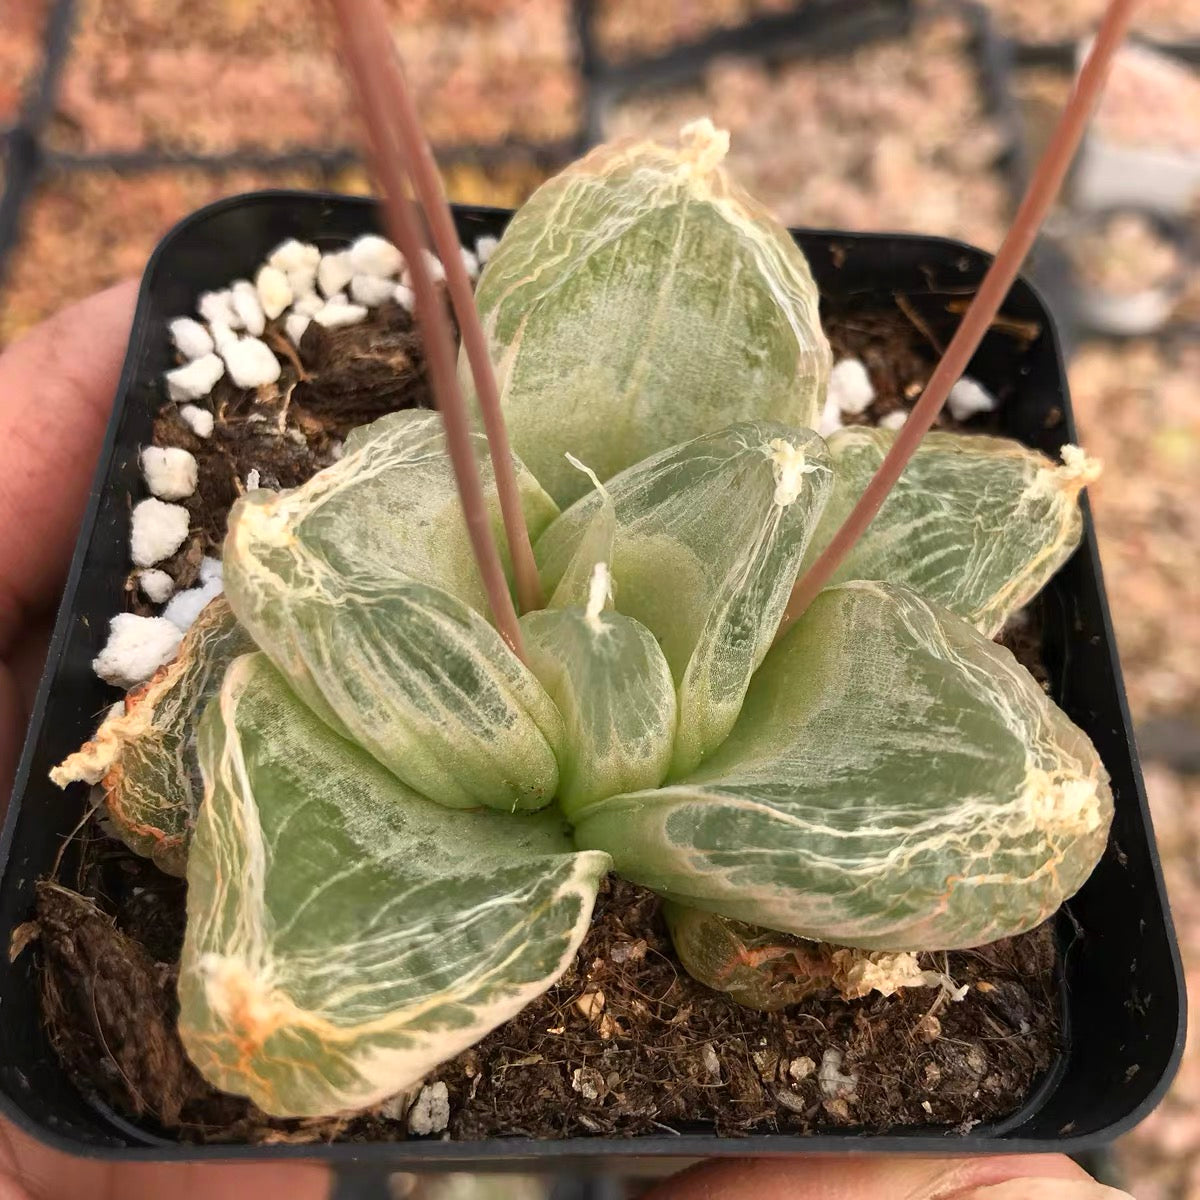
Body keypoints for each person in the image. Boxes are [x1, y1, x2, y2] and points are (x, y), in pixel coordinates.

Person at [0, 286, 1132, 1199]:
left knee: (784, 499)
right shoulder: (396, 580)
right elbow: (330, 538)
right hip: (464, 762)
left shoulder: (753, 529)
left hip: (681, 735)